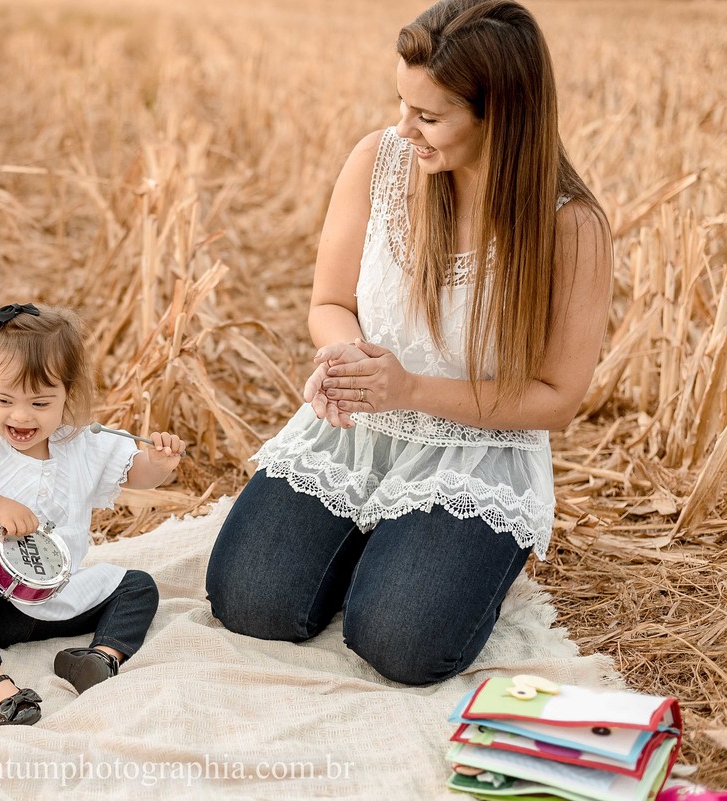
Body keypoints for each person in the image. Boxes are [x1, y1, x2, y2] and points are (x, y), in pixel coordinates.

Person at [205, 0, 612, 686]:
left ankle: (431, 547)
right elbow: (329, 304)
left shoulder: (570, 228)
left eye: (428, 116)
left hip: (475, 453)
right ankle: (387, 542)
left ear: (501, 117)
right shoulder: (379, 162)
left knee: (400, 642)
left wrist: (412, 389)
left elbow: (556, 399)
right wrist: (344, 359)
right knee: (249, 598)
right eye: (401, 103)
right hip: (360, 429)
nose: (404, 128)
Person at [0, 303, 186, 726]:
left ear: (68, 394)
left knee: (138, 586)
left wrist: (158, 465)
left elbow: (138, 474)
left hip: (51, 600)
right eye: (3, 399)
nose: (20, 415)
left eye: (39, 402)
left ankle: (98, 659)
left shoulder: (82, 446)